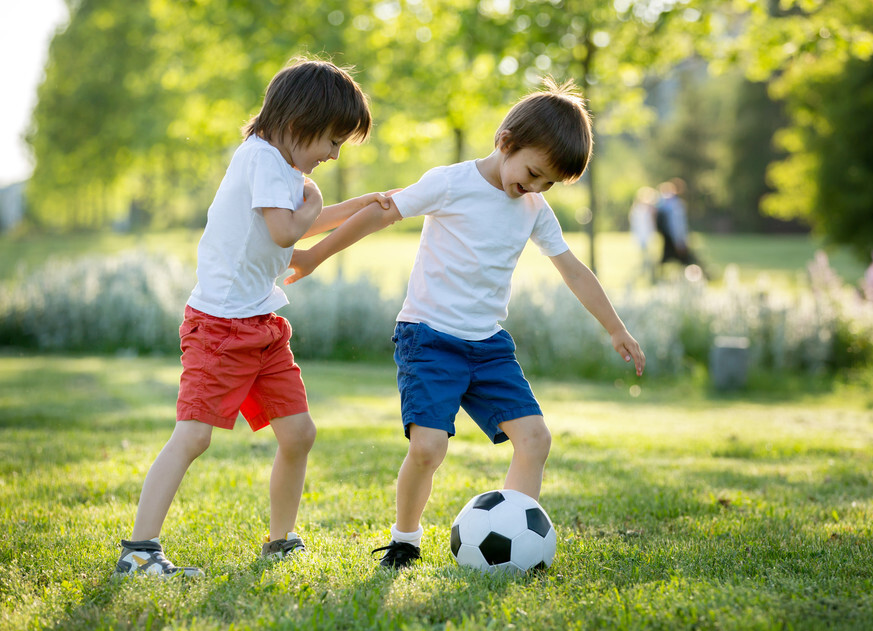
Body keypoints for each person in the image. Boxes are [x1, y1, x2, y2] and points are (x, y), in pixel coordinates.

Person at [286, 78, 646, 570]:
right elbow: (381, 213)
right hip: (428, 338)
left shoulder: (534, 210)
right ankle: (405, 539)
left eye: (548, 184)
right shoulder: (451, 182)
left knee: (536, 440)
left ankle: (514, 552)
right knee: (428, 448)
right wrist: (313, 256)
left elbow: (574, 270)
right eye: (533, 172)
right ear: (506, 141)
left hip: (489, 346)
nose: (535, 188)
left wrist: (616, 327)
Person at [114, 57, 394, 577]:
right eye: (331, 140)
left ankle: (281, 540)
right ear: (297, 123)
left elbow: (299, 222)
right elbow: (286, 233)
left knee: (298, 433)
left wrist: (367, 204)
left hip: (262, 326)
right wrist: (314, 207)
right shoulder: (263, 159)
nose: (333, 154)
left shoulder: (281, 167)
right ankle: (138, 550)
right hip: (220, 327)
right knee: (193, 436)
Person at [628, 186, 658, 283]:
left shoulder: (643, 209)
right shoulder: (639, 210)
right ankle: (645, 274)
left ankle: (649, 275)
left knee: (648, 257)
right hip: (643, 236)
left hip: (647, 236)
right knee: (646, 257)